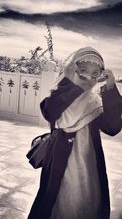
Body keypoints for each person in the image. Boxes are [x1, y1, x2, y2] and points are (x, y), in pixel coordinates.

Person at [28, 47, 122, 219]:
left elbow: (112, 127)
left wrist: (110, 89)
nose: (88, 77)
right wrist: (70, 82)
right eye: (83, 71)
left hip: (89, 165)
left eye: (94, 73)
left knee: (88, 202)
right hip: (59, 160)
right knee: (55, 201)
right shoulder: (60, 93)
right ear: (73, 70)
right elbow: (50, 112)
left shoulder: (95, 100)